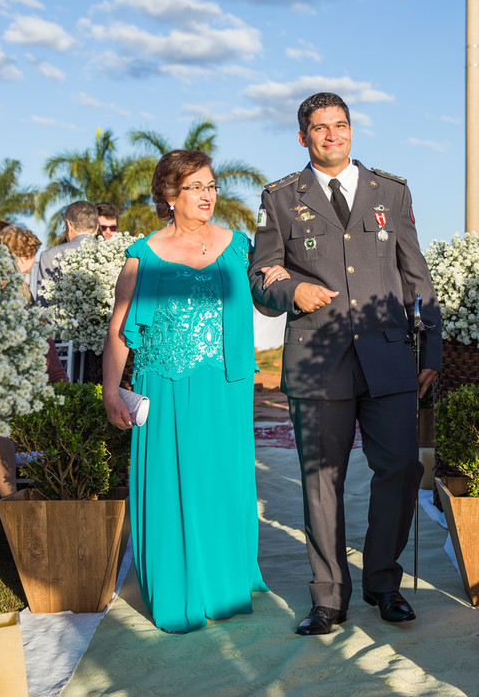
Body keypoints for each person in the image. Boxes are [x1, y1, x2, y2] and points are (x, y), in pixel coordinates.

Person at [249, 92, 442, 636]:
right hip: (319, 362)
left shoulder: (392, 191)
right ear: (302, 136)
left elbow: (416, 277)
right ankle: (330, 596)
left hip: (388, 359)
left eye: (340, 126)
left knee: (402, 468)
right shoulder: (282, 197)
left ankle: (384, 582)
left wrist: (432, 350)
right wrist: (294, 290)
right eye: (319, 127)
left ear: (352, 130)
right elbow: (262, 276)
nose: (331, 135)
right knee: (321, 480)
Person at [101, 150, 273, 633]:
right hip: (166, 387)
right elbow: (118, 328)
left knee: (222, 479)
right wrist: (111, 388)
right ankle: (178, 588)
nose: (207, 195)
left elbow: (271, 292)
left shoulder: (241, 247)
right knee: (173, 482)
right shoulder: (144, 254)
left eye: (212, 185)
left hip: (225, 387)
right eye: (196, 186)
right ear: (169, 195)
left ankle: (225, 584)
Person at [34, 201, 98, 302]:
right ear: (97, 227)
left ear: (69, 225)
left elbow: (44, 301)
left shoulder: (49, 255)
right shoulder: (110, 253)